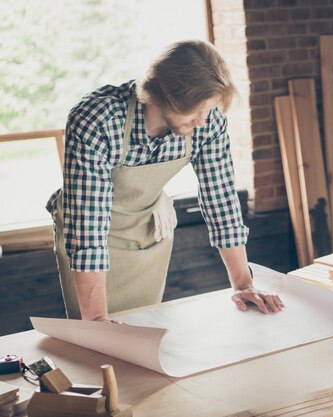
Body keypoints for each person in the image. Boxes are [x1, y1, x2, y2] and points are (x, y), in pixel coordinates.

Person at [46, 40, 283, 321]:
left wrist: (244, 284)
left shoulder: (207, 120)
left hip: (149, 231)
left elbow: (221, 200)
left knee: (143, 322)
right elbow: (88, 225)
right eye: (196, 111)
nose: (202, 120)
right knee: (96, 342)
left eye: (208, 110)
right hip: (90, 241)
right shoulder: (97, 119)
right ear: (165, 97)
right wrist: (97, 321)